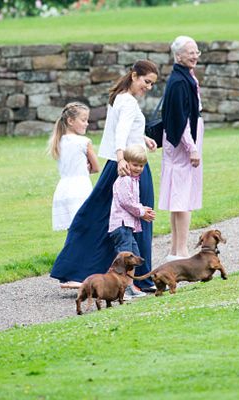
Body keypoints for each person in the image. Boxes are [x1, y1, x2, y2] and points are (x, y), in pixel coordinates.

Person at [50, 60, 159, 291]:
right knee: (140, 218)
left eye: (152, 84)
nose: (148, 87)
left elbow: (125, 130)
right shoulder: (127, 102)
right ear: (134, 76)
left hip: (118, 162)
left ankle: (77, 270)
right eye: (146, 82)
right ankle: (141, 279)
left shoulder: (118, 97)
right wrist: (121, 158)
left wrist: (142, 138)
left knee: (98, 217)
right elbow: (120, 133)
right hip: (129, 165)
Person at [159, 35, 204, 261]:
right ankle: (182, 251)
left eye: (197, 51)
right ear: (178, 56)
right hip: (182, 144)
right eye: (190, 52)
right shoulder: (179, 81)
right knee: (182, 196)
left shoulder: (184, 76)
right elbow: (182, 119)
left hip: (182, 142)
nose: (195, 55)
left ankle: (175, 250)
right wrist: (192, 147)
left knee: (179, 196)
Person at [108, 144, 156, 299]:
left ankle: (129, 286)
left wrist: (143, 209)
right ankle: (119, 288)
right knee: (124, 259)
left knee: (134, 256)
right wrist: (142, 212)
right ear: (126, 162)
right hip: (121, 225)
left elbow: (133, 201)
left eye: (141, 166)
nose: (138, 168)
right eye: (135, 165)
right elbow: (126, 202)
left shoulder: (134, 181)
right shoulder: (124, 180)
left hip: (128, 226)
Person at [48, 102, 100, 231]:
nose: (86, 123)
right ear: (70, 121)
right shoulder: (84, 142)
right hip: (80, 188)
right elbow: (96, 168)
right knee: (86, 228)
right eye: (83, 120)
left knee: (72, 231)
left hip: (63, 189)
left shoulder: (58, 142)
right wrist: (86, 168)